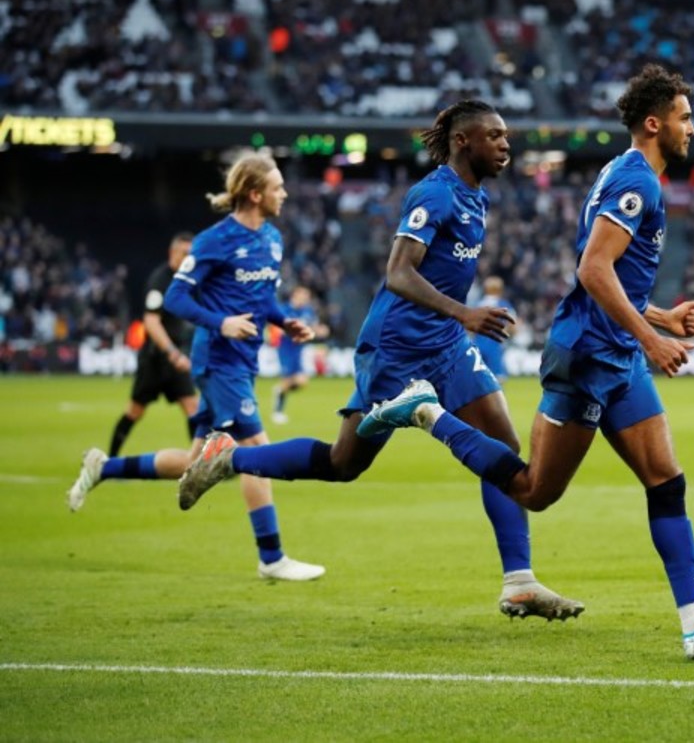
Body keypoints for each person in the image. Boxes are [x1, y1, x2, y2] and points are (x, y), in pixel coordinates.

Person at [356, 65, 694, 660]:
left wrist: (660, 318)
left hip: (617, 354)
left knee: (666, 479)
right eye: (684, 117)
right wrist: (652, 340)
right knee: (534, 491)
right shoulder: (637, 183)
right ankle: (428, 414)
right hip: (586, 356)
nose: (692, 128)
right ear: (654, 123)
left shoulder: (626, 174)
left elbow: (610, 274)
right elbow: (592, 270)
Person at [175, 100, 583, 620]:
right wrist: (465, 314)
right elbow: (398, 273)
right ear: (463, 141)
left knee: (502, 445)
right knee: (343, 464)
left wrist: (456, 323)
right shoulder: (434, 194)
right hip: (396, 348)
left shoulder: (476, 196)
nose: (507, 145)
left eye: (506, 136)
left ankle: (519, 581)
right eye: (495, 135)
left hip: (445, 345)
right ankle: (228, 459)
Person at [67, 152, 325, 581]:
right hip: (219, 361)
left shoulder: (272, 239)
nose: (284, 193)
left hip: (243, 360)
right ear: (255, 194)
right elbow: (175, 298)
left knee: (194, 460)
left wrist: (285, 321)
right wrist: (221, 322)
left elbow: (262, 299)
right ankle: (271, 557)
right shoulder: (214, 241)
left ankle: (103, 467)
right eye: (277, 187)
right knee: (255, 450)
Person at [107, 232, 199, 457]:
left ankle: (199, 464)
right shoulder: (160, 280)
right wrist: (172, 352)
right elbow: (151, 321)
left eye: (191, 254)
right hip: (155, 359)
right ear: (172, 253)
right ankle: (109, 462)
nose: (188, 258)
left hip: (176, 359)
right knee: (135, 411)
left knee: (193, 409)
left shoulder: (186, 280)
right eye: (184, 253)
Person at [271, 286, 328, 424]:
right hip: (286, 348)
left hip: (299, 348)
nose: (305, 299)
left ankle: (279, 390)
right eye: (303, 295)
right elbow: (277, 328)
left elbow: (313, 326)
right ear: (295, 295)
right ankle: (278, 412)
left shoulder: (308, 311)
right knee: (288, 379)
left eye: (307, 296)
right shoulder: (284, 309)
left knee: (302, 382)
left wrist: (320, 330)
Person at [471, 275, 515, 382]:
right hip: (495, 345)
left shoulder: (478, 304)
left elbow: (470, 327)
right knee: (498, 379)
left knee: (478, 377)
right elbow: (513, 326)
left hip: (478, 344)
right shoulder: (504, 305)